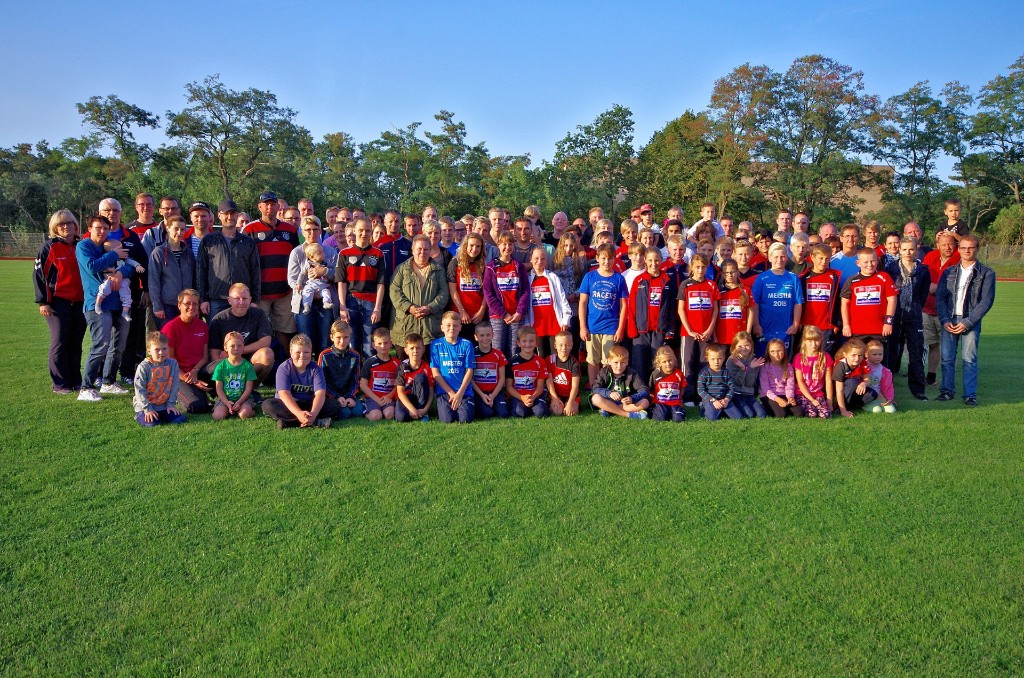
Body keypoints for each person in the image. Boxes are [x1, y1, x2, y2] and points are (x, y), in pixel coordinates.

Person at [77, 214, 134, 401]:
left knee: (119, 346)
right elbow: (92, 266)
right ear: (90, 229)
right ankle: (86, 386)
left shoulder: (112, 244)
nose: (102, 231)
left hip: (119, 302)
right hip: (97, 303)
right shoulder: (84, 246)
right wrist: (113, 255)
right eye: (97, 227)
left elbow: (130, 266)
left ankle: (109, 382)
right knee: (101, 345)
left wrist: (119, 272)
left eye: (105, 228)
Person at [935, 235, 996, 406]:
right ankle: (947, 391)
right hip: (950, 319)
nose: (967, 251)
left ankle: (970, 395)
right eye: (963, 247)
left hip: (970, 320)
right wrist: (945, 319)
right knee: (947, 358)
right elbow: (940, 298)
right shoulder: (949, 272)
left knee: (969, 358)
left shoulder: (987, 273)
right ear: (958, 249)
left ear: (977, 248)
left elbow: (986, 301)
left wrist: (968, 322)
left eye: (970, 247)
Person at [35, 209, 86, 395]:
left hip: (80, 302)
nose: (66, 226)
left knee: (76, 342)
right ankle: (60, 383)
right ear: (55, 227)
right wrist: (43, 302)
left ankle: (75, 381)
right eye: (61, 224)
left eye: (70, 223)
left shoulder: (82, 246)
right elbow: (40, 277)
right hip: (58, 303)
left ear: (75, 225)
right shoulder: (49, 248)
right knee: (60, 341)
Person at [243, 191, 299, 347]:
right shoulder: (249, 230)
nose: (269, 207)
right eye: (266, 204)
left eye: (272, 204)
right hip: (260, 293)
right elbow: (245, 262)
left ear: (278, 206)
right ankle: (264, 367)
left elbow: (297, 259)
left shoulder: (290, 230)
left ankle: (285, 365)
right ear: (259, 207)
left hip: (285, 291)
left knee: (286, 331)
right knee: (259, 332)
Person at [884, 236, 931, 400]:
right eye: (904, 249)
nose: (908, 252)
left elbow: (922, 295)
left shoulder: (923, 270)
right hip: (895, 316)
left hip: (914, 317)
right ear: (900, 250)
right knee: (889, 352)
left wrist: (914, 309)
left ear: (916, 248)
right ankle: (887, 386)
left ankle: (918, 389)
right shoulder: (890, 268)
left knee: (915, 353)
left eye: (911, 249)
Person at [197, 203, 261, 320]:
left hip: (242, 300)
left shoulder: (248, 242)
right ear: (219, 215)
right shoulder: (209, 241)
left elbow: (255, 271)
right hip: (217, 299)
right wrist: (203, 299)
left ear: (237, 216)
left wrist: (254, 299)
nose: (230, 217)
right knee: (216, 336)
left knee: (242, 336)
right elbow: (201, 271)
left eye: (233, 213)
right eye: (226, 213)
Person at [262, 334, 338, 429]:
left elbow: (320, 394)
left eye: (306, 352)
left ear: (311, 352)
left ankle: (289, 422)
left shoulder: (316, 369)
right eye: (298, 352)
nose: (302, 356)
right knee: (268, 405)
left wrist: (313, 413)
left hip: (309, 403)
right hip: (288, 404)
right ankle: (316, 422)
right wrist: (298, 413)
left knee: (334, 405)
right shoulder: (284, 368)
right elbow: (284, 394)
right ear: (290, 352)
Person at [578, 243, 628, 386]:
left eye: (610, 258)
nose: (607, 262)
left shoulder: (619, 279)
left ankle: (606, 387)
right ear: (597, 258)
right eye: (604, 258)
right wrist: (583, 327)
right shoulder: (589, 276)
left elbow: (624, 305)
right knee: (593, 360)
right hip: (592, 326)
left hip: (611, 326)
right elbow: (582, 303)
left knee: (609, 360)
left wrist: (620, 328)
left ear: (614, 259)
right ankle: (595, 387)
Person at [390, 234, 450, 352]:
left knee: (430, 367)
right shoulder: (401, 269)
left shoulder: (439, 270)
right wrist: (409, 307)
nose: (422, 252)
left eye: (426, 249)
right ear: (412, 250)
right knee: (405, 367)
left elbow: (444, 293)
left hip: (430, 328)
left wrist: (430, 308)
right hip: (405, 327)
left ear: (430, 250)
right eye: (419, 249)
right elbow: (394, 291)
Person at [207, 283, 275, 384]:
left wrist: (239, 350)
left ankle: (250, 386)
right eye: (237, 298)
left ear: (250, 299)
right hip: (228, 361)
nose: (241, 302)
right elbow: (214, 353)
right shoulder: (219, 319)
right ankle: (228, 387)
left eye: (245, 298)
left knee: (267, 354)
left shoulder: (259, 314)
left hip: (250, 359)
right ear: (229, 300)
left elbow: (266, 341)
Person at [161, 289, 212, 414]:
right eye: (187, 304)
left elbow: (205, 357)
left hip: (198, 370)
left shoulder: (202, 326)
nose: (191, 307)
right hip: (178, 374)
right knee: (197, 407)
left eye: (195, 304)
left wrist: (195, 372)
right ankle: (180, 394)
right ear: (179, 305)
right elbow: (169, 362)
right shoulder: (170, 328)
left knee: (220, 368)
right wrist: (192, 380)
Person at [677, 253, 719, 404]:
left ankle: (702, 397)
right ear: (692, 267)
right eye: (697, 267)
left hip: (706, 333)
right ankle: (687, 396)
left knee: (704, 364)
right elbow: (681, 309)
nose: (700, 270)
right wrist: (689, 330)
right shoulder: (685, 284)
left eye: (703, 267)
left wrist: (709, 330)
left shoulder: (711, 285)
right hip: (688, 333)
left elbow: (715, 310)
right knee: (687, 364)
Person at [627, 247, 672, 382]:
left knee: (657, 362)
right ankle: (641, 391)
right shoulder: (639, 280)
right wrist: (632, 328)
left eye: (657, 260)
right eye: (650, 260)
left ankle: (657, 390)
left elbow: (671, 307)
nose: (654, 264)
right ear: (645, 260)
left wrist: (670, 330)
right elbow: (632, 305)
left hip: (659, 329)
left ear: (661, 260)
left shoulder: (667, 280)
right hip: (641, 329)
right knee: (639, 361)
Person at [921, 232, 960, 386]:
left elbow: (958, 285)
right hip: (928, 308)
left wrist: (937, 288)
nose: (947, 247)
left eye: (950, 243)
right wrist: (928, 287)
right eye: (943, 244)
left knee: (949, 347)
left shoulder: (959, 259)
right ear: (938, 245)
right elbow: (922, 278)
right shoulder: (930, 257)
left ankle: (948, 380)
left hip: (948, 312)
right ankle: (931, 376)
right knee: (932, 344)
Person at [751, 243, 803, 357]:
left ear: (787, 257)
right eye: (776, 257)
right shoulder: (762, 278)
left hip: (785, 330)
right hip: (764, 329)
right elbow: (754, 303)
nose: (779, 260)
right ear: (769, 258)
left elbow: (798, 303)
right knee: (764, 363)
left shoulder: (793, 278)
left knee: (784, 363)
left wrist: (795, 325)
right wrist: (756, 325)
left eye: (782, 256)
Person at [483, 231, 529, 359]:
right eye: (504, 244)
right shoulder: (491, 267)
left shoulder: (518, 266)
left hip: (516, 316)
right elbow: (488, 293)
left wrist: (519, 312)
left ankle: (512, 378)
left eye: (510, 244)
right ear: (498, 245)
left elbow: (525, 290)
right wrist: (503, 314)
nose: (507, 247)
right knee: (498, 349)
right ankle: (499, 377)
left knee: (514, 349)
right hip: (497, 316)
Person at [839, 248, 897, 343]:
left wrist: (888, 322)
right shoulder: (851, 281)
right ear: (858, 263)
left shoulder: (884, 277)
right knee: (858, 357)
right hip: (857, 331)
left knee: (878, 357)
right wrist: (846, 325)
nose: (869, 265)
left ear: (877, 261)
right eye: (865, 262)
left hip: (880, 330)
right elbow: (844, 304)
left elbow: (892, 300)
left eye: (873, 261)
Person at [149, 216, 195, 329]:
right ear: (168, 228)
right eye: (176, 229)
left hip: (187, 305)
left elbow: (194, 278)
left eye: (183, 229)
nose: (179, 232)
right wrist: (157, 306)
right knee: (168, 339)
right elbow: (153, 281)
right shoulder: (158, 253)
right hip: (167, 305)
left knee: (184, 338)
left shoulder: (188, 252)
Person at [430, 312, 476, 424]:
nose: (452, 328)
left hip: (463, 391)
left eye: (455, 325)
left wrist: (460, 394)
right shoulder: (435, 345)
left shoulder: (467, 344)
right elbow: (435, 372)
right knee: (447, 420)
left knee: (465, 420)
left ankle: (465, 405)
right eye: (448, 325)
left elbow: (469, 371)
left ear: (460, 327)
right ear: (442, 327)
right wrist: (451, 393)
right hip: (445, 391)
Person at [133, 332, 186, 427]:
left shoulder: (173, 364)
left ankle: (162, 414)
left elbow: (174, 385)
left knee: (179, 420)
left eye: (164, 349)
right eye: (157, 350)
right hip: (146, 406)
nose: (161, 352)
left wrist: (170, 404)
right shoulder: (144, 367)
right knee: (152, 424)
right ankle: (139, 415)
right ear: (149, 351)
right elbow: (139, 389)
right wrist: (147, 409)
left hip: (164, 406)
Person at [527, 247, 572, 356]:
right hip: (537, 325)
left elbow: (562, 299)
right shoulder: (527, 279)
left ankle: (554, 373)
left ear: (546, 261)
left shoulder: (552, 277)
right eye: (536, 258)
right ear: (531, 259)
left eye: (543, 259)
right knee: (541, 355)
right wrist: (526, 323)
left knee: (554, 356)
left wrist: (566, 319)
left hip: (554, 324)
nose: (539, 261)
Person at [317, 319, 365, 420]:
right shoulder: (324, 355)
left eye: (346, 337)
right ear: (332, 337)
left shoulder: (355, 355)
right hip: (332, 395)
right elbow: (321, 382)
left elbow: (356, 380)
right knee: (345, 413)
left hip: (349, 394)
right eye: (338, 337)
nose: (342, 341)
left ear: (350, 337)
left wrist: (351, 396)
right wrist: (336, 397)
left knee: (358, 411)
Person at [799, 244, 841, 355]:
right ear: (812, 257)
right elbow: (799, 303)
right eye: (820, 258)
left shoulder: (834, 277)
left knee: (825, 357)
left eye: (827, 258)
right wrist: (799, 322)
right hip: (808, 325)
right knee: (807, 356)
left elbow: (838, 302)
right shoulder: (803, 278)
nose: (824, 261)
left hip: (827, 327)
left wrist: (836, 324)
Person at [448, 232, 489, 341]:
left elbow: (487, 291)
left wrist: (481, 311)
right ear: (465, 245)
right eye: (471, 245)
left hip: (478, 315)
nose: (474, 249)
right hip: (460, 314)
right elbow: (453, 291)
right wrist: (462, 311)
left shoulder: (483, 265)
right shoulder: (455, 263)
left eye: (478, 246)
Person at [589, 345, 650, 419]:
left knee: (645, 402)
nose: (619, 366)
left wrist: (632, 398)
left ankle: (609, 410)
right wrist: (609, 393)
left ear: (627, 362)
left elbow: (644, 390)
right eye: (616, 362)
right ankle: (628, 415)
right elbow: (595, 388)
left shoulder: (632, 373)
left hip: (625, 403)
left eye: (622, 362)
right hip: (608, 400)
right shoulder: (604, 372)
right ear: (609, 361)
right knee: (596, 398)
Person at [211, 331, 258, 421]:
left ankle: (249, 410)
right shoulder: (220, 366)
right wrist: (227, 403)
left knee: (244, 414)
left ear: (243, 347)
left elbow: (249, 388)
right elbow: (219, 388)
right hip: (225, 399)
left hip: (243, 399)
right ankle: (228, 408)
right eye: (232, 346)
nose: (236, 348)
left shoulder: (248, 366)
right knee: (218, 416)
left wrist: (239, 402)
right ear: (225, 348)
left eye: (239, 346)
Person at [507, 326, 549, 418]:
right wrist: (522, 397)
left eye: (531, 341)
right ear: (518, 343)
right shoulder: (512, 362)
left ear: (536, 343)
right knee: (519, 413)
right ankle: (523, 407)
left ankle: (536, 405)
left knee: (541, 413)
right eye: (524, 341)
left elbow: (540, 386)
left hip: (534, 395)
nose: (528, 344)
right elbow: (509, 387)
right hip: (518, 396)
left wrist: (532, 397)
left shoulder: (540, 361)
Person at [794, 325, 834, 419]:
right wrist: (811, 399)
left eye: (816, 340)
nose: (814, 344)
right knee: (812, 414)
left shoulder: (826, 357)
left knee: (826, 415)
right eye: (810, 341)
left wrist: (829, 401)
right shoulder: (799, 358)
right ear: (804, 341)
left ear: (821, 341)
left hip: (818, 394)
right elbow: (800, 381)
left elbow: (828, 381)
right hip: (803, 394)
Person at [360, 327, 400, 421]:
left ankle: (382, 409)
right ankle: (365, 409)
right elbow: (363, 385)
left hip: (388, 398)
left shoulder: (397, 363)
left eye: (386, 343)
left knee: (389, 415)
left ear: (391, 343)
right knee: (376, 416)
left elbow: (399, 384)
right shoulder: (369, 362)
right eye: (379, 343)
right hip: (373, 397)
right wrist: (377, 399)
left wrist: (389, 396)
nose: (383, 346)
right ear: (374, 345)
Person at [472, 322, 509, 419]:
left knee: (503, 414)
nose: (485, 338)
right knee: (487, 413)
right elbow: (470, 379)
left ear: (493, 335)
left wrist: (493, 395)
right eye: (481, 335)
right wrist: (482, 394)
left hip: (494, 392)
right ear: (476, 337)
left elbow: (502, 378)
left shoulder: (499, 354)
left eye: (488, 335)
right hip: (479, 392)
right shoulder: (472, 354)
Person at [395, 334, 435, 422]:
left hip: (420, 398)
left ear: (423, 349)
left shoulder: (427, 367)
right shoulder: (402, 366)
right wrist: (411, 409)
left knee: (420, 377)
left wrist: (425, 409)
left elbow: (431, 391)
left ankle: (421, 412)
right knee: (401, 418)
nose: (415, 351)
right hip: (406, 397)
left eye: (418, 348)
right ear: (406, 350)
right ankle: (414, 412)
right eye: (412, 348)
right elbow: (400, 392)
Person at [759, 338, 803, 418]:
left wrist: (790, 397)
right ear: (768, 353)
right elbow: (765, 388)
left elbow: (790, 385)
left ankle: (784, 407)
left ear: (784, 351)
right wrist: (777, 399)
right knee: (781, 414)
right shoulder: (765, 367)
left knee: (799, 412)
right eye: (772, 351)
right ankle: (764, 406)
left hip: (784, 393)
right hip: (769, 395)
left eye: (779, 351)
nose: (776, 354)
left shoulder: (788, 366)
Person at [696, 344, 742, 421]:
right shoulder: (704, 373)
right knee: (712, 418)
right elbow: (700, 390)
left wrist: (727, 399)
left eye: (719, 358)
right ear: (707, 358)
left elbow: (732, 388)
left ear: (724, 358)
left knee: (738, 417)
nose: (716, 362)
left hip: (723, 400)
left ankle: (721, 410)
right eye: (713, 359)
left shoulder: (726, 372)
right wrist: (713, 400)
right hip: (710, 400)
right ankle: (704, 409)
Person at [726, 332, 766, 418]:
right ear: (734, 347)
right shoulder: (732, 360)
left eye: (747, 345)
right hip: (736, 394)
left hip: (749, 394)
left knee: (761, 414)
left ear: (751, 346)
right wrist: (743, 369)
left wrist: (751, 368)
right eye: (740, 346)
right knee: (750, 415)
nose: (744, 348)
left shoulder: (754, 360)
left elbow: (749, 383)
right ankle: (731, 407)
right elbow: (737, 382)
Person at [715, 259, 753, 348]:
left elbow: (750, 312)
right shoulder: (718, 291)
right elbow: (714, 314)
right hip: (722, 336)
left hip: (740, 337)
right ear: (722, 274)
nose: (730, 275)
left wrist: (748, 332)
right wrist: (714, 335)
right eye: (726, 273)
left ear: (737, 272)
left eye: (732, 272)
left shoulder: (745, 290)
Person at [833, 338, 871, 418]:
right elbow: (839, 390)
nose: (857, 359)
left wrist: (864, 383)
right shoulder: (840, 366)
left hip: (854, 388)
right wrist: (843, 411)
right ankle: (840, 407)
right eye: (853, 355)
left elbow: (868, 380)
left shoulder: (863, 363)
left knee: (872, 394)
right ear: (845, 354)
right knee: (852, 382)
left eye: (860, 355)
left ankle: (852, 405)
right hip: (841, 391)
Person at [547, 330, 581, 417]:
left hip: (571, 395)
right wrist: (555, 398)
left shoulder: (574, 363)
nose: (564, 348)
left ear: (571, 345)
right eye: (561, 345)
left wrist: (570, 403)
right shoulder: (550, 360)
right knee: (557, 412)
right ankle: (553, 403)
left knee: (571, 412)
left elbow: (575, 387)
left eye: (567, 345)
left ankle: (570, 404)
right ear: (555, 345)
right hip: (556, 394)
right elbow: (549, 382)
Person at [648, 345, 686, 422]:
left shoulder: (679, 374)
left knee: (678, 419)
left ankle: (678, 412)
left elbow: (682, 387)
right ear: (659, 363)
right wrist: (652, 401)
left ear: (674, 359)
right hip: (660, 402)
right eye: (664, 362)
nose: (668, 363)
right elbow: (651, 389)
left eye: (670, 360)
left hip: (675, 402)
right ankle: (656, 411)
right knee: (660, 419)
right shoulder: (655, 374)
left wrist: (679, 399)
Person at [862, 339, 897, 413]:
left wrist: (889, 398)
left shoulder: (885, 371)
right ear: (866, 354)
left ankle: (880, 403)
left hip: (880, 396)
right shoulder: (861, 366)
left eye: (880, 354)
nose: (878, 357)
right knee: (877, 410)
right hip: (868, 396)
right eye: (874, 354)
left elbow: (888, 386)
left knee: (891, 411)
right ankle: (862, 405)